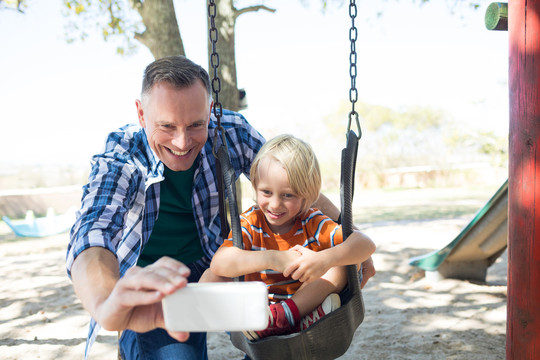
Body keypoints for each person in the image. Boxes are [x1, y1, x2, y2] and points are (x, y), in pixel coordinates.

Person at [66, 55, 375, 359]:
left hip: (215, 263)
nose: (182, 142)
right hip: (155, 281)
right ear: (141, 114)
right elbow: (93, 233)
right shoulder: (123, 155)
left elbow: (291, 179)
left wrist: (352, 238)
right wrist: (105, 301)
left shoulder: (229, 130)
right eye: (167, 126)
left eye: (196, 124)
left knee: (280, 347)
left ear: (211, 111)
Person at [207, 134, 376, 340]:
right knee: (213, 274)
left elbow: (366, 244)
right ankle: (273, 319)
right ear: (256, 187)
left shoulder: (312, 222)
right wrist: (272, 258)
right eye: (266, 192)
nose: (275, 204)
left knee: (345, 264)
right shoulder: (251, 222)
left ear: (307, 195)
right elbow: (218, 264)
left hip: (301, 303)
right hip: (259, 309)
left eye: (288, 195)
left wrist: (324, 259)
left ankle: (290, 318)